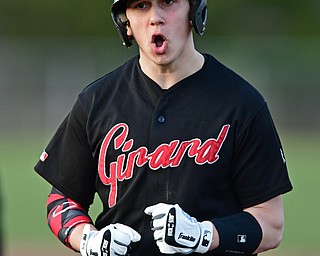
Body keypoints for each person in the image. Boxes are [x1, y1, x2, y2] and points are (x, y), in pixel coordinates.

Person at [34, 0, 293, 255]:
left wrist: (205, 235)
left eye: (168, 2)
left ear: (194, 11)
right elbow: (62, 200)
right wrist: (89, 240)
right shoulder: (96, 102)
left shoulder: (241, 103)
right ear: (125, 22)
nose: (155, 17)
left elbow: (271, 225)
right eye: (141, 5)